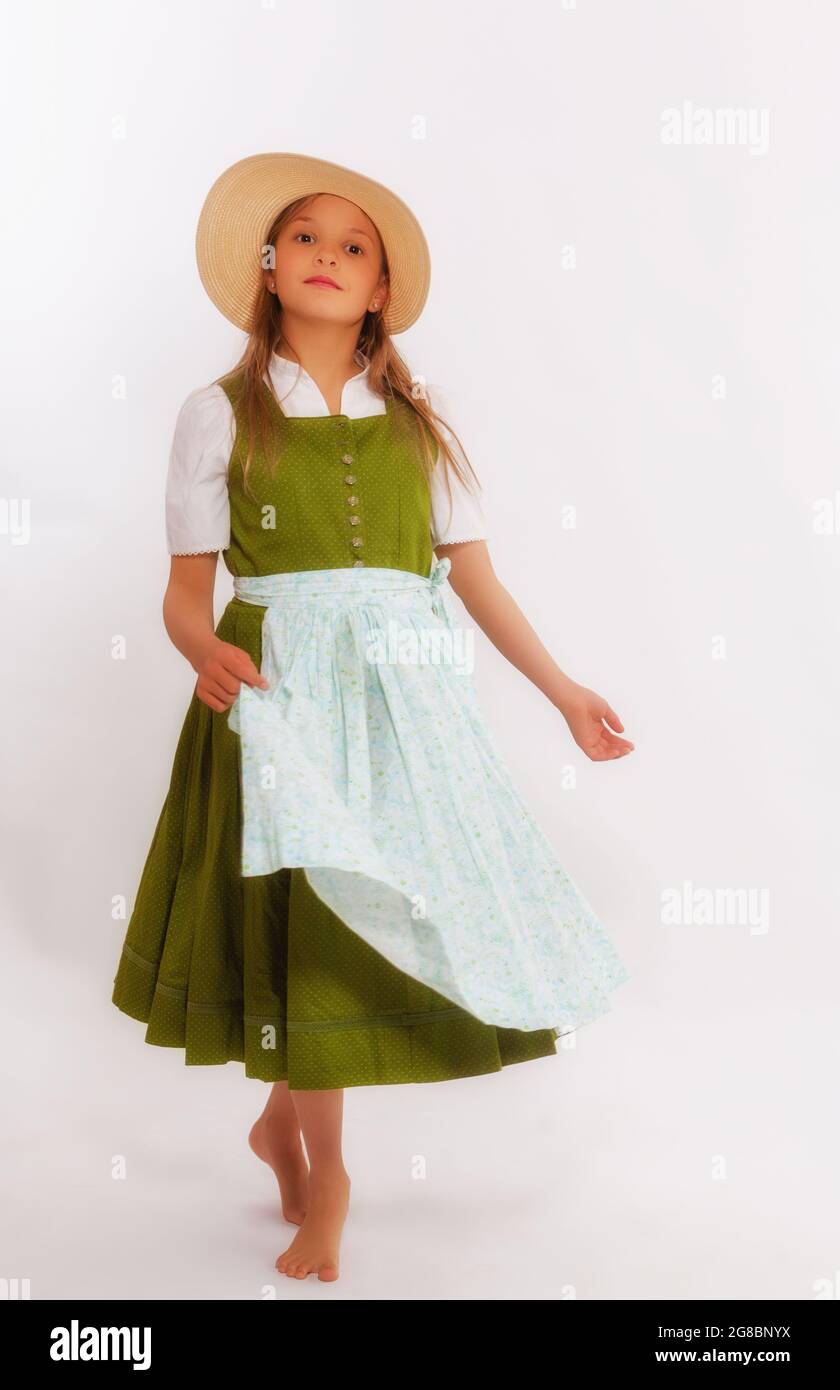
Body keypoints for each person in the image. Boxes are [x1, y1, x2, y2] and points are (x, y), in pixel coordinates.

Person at [111, 151, 634, 1283]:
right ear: (268, 265)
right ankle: (328, 1173)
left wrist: (564, 691)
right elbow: (184, 590)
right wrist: (202, 650)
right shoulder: (218, 413)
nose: (330, 257)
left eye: (355, 247)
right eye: (306, 238)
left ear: (383, 289)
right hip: (277, 698)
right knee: (304, 918)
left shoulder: (421, 422)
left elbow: (477, 580)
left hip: (399, 705)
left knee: (354, 919)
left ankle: (290, 1133)